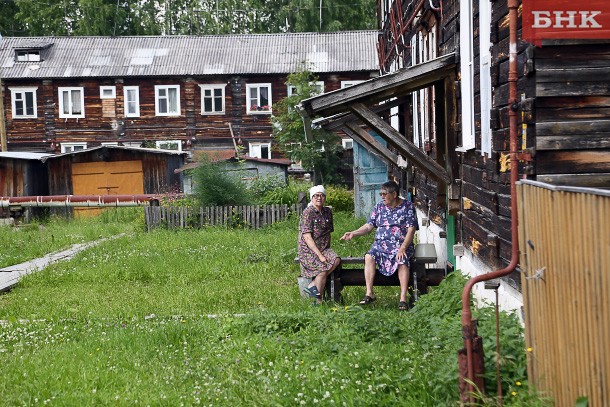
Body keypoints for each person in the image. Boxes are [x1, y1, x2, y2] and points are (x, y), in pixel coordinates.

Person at [340, 180, 417, 310]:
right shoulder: (379, 207)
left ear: (394, 194)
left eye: (384, 194)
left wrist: (403, 247)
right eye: (381, 193)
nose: (382, 196)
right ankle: (369, 293)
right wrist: (354, 233)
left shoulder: (408, 207)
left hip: (401, 245)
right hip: (381, 245)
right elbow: (369, 226)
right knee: (369, 256)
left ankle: (403, 298)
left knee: (402, 259)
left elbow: (411, 229)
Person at [298, 185, 340, 303]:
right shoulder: (308, 213)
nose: (319, 198)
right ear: (312, 198)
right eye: (316, 195)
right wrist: (320, 255)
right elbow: (307, 237)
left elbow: (328, 232)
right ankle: (318, 300)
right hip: (309, 250)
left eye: (322, 195)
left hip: (324, 248)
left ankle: (312, 286)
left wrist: (326, 251)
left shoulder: (327, 211)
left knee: (336, 260)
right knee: (321, 270)